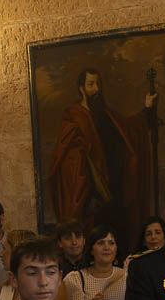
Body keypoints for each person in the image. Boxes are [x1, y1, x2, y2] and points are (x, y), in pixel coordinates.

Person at [48, 67, 157, 248]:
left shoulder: (105, 114)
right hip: (92, 196)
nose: (96, 89)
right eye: (91, 84)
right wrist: (89, 181)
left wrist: (146, 109)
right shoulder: (74, 117)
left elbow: (128, 129)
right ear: (81, 88)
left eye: (98, 84)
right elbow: (68, 159)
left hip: (115, 192)